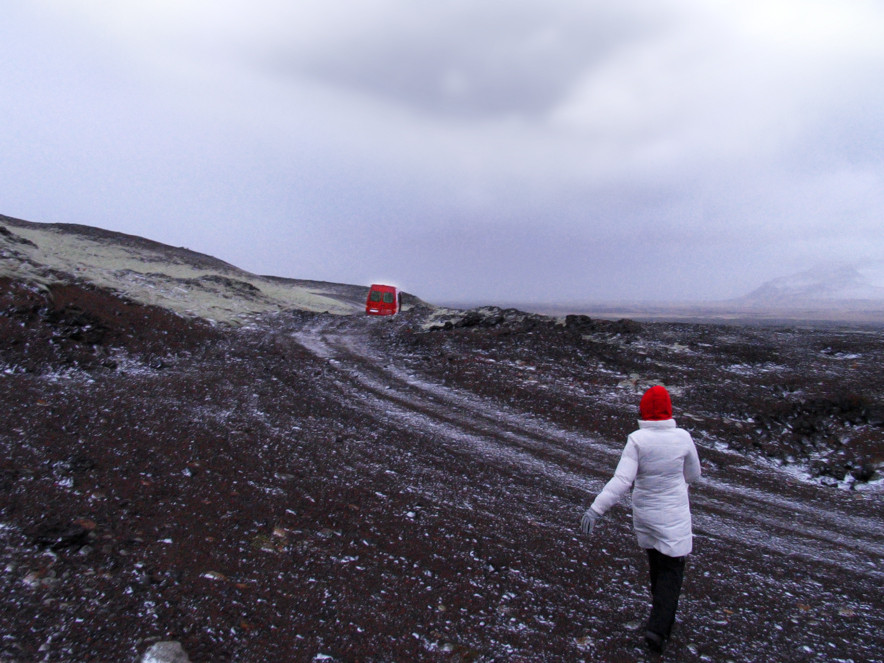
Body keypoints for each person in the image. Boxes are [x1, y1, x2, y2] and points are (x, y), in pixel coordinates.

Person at [580, 385, 701, 653]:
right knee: (672, 570)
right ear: (669, 410)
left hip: (646, 515)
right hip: (674, 516)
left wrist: (595, 509)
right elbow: (694, 473)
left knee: (657, 566)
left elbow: (622, 480)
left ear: (643, 411)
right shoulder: (683, 438)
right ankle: (658, 631)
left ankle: (659, 618)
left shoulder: (637, 440)